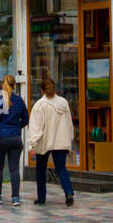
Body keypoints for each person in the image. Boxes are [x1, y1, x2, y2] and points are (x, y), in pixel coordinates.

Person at [28, 77, 76, 206]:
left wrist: (32, 143)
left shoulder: (40, 105)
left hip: (45, 141)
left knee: (41, 169)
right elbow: (69, 123)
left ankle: (42, 198)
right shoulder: (64, 103)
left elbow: (36, 127)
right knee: (61, 168)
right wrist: (70, 138)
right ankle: (69, 192)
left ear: (42, 90)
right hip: (61, 141)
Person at [0, 74, 28, 207]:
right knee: (14, 169)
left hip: (1, 139)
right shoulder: (19, 100)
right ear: (14, 86)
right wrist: (16, 128)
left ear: (2, 85)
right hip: (15, 139)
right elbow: (26, 119)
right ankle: (15, 198)